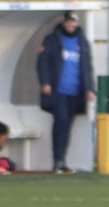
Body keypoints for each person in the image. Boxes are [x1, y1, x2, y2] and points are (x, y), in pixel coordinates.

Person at [37, 12, 95, 173]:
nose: (71, 25)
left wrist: (90, 88)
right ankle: (57, 160)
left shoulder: (82, 42)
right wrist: (45, 82)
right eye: (68, 22)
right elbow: (42, 62)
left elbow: (88, 67)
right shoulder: (52, 39)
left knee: (67, 125)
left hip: (76, 92)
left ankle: (62, 160)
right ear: (64, 22)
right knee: (61, 121)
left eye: (73, 22)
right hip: (59, 91)